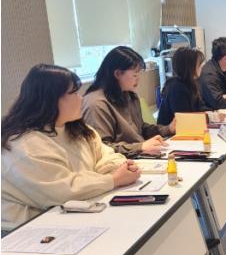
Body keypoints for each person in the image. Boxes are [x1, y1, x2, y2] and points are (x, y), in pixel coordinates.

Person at [1, 64, 140, 232]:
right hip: (25, 229)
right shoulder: (25, 145)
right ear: (50, 99)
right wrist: (113, 179)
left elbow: (106, 155)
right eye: (73, 93)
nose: (81, 99)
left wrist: (119, 170)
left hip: (74, 213)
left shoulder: (77, 129)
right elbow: (64, 190)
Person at [83, 46, 175, 158]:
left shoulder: (129, 95)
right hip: (119, 162)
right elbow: (102, 148)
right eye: (135, 75)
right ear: (117, 74)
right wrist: (140, 147)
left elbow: (140, 129)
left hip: (138, 157)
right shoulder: (96, 104)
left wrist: (168, 129)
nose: (138, 79)